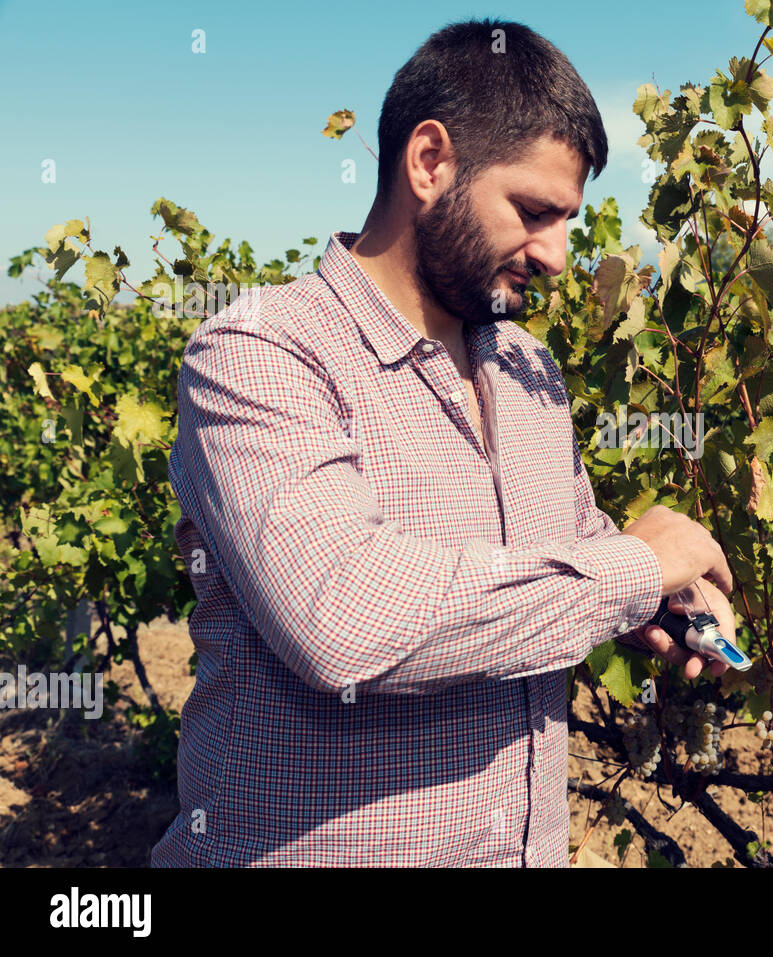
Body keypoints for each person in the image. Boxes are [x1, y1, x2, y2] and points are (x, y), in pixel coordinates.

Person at [150, 17, 736, 868]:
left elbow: (568, 552)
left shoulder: (531, 369)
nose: (560, 255)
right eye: (535, 212)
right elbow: (343, 618)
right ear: (430, 163)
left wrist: (658, 601)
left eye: (569, 219)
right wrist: (636, 568)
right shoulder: (259, 351)